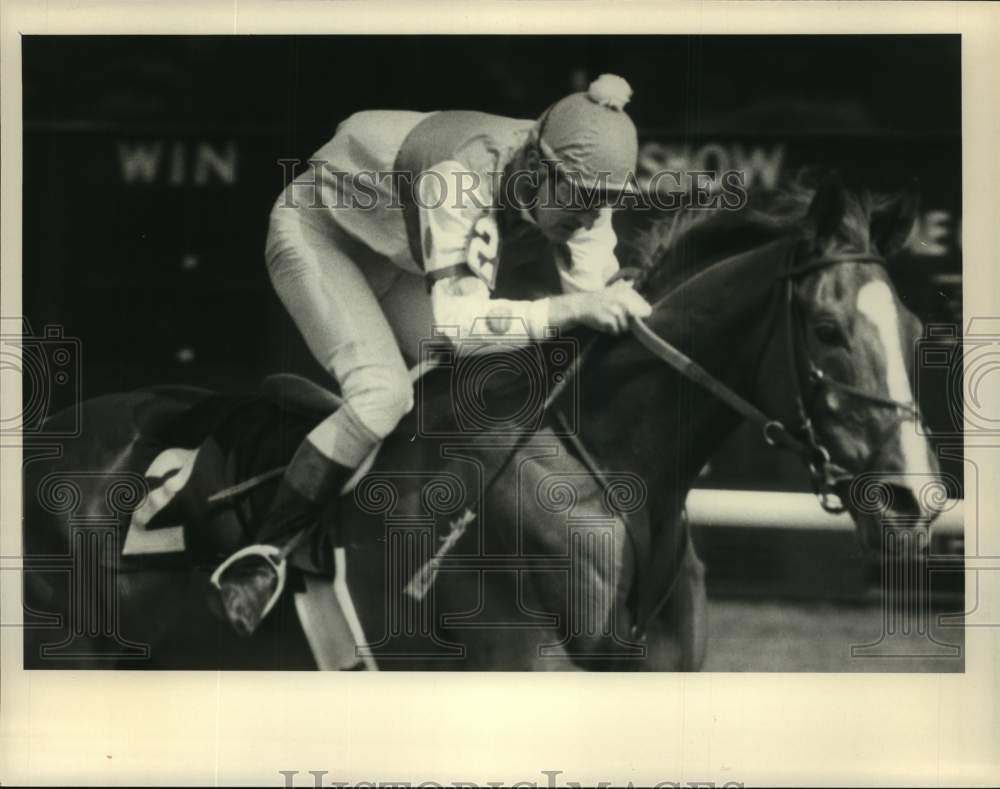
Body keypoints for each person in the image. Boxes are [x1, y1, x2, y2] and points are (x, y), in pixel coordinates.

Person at [216, 73, 653, 636]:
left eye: (606, 203)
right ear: (535, 167)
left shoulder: (577, 173)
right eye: (583, 200)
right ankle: (260, 559)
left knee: (488, 380)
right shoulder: (460, 175)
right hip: (319, 233)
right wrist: (573, 309)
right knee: (382, 394)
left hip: (393, 251)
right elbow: (463, 326)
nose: (591, 218)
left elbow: (598, 304)